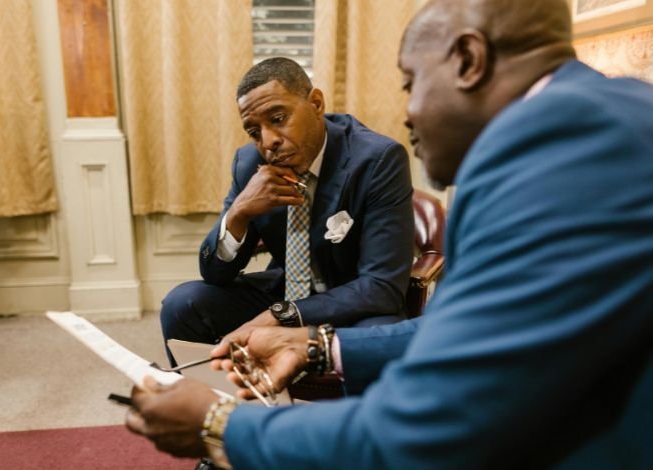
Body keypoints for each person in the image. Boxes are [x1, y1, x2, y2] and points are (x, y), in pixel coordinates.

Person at [126, 0, 653, 468]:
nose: (407, 114)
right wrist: (318, 347)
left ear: (468, 60)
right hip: (296, 295)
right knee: (187, 300)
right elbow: (469, 333)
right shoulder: (581, 125)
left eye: (409, 84)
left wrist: (222, 426)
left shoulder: (569, 153)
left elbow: (428, 423)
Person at [159, 57, 414, 365]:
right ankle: (210, 396)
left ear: (316, 104)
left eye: (278, 118)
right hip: (284, 290)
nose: (268, 142)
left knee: (375, 342)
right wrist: (239, 212)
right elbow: (214, 274)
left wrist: (281, 315)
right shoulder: (249, 164)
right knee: (183, 304)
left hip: (353, 303)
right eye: (254, 131)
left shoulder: (377, 160)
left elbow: (382, 287)